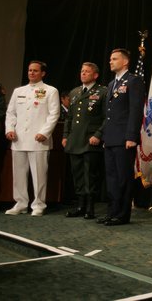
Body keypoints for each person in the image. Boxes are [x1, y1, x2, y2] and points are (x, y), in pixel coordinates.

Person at [5, 61, 60, 216]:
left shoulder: (50, 91)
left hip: (39, 139)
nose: (31, 73)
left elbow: (54, 114)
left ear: (43, 73)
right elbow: (11, 113)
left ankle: (38, 205)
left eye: (35, 71)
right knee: (19, 175)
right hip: (19, 138)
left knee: (39, 175)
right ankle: (20, 203)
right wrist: (9, 129)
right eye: (30, 70)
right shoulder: (18, 91)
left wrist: (45, 132)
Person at [97, 48, 144, 226]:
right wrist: (105, 137)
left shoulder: (133, 81)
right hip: (110, 138)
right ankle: (112, 212)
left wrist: (131, 136)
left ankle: (122, 215)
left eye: (114, 59)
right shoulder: (111, 84)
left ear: (125, 62)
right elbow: (109, 114)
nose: (110, 61)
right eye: (110, 59)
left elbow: (135, 110)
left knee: (123, 177)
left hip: (124, 138)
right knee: (111, 178)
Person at [62, 62, 107, 219]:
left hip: (90, 140)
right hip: (75, 140)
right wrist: (65, 136)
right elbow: (69, 117)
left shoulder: (102, 91)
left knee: (90, 176)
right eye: (82, 71)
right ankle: (80, 205)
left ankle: (90, 208)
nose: (83, 74)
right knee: (78, 175)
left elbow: (106, 117)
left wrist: (99, 135)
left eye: (87, 72)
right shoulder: (75, 92)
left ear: (95, 75)